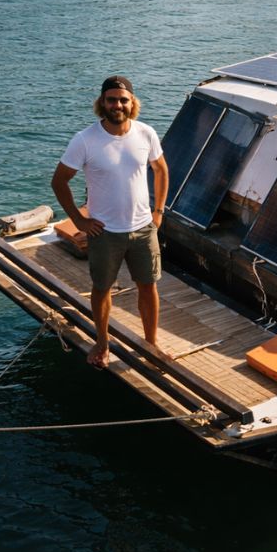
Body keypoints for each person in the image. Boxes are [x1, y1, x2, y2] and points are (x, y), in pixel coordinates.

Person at [51, 76, 169, 368]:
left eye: (123, 100)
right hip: (105, 232)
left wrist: (159, 212)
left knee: (148, 286)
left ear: (132, 103)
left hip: (143, 229)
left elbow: (161, 170)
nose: (118, 105)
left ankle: (150, 344)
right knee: (102, 288)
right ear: (102, 103)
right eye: (111, 99)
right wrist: (79, 219)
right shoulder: (85, 140)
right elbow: (59, 181)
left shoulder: (146, 133)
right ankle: (102, 344)